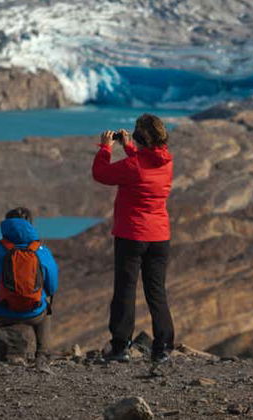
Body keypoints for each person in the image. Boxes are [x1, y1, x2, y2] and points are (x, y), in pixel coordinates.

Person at [92, 113, 175, 364]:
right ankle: (162, 347)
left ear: (140, 137)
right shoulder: (167, 162)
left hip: (131, 236)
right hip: (159, 237)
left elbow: (101, 173)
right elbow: (144, 165)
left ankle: (120, 347)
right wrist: (129, 147)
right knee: (156, 291)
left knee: (125, 291)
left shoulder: (133, 166)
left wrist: (106, 148)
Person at [0, 207, 59, 358]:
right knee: (47, 302)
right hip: (34, 314)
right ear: (31, 224)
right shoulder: (41, 250)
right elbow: (52, 287)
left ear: (6, 224)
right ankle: (43, 352)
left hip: (0, 311)